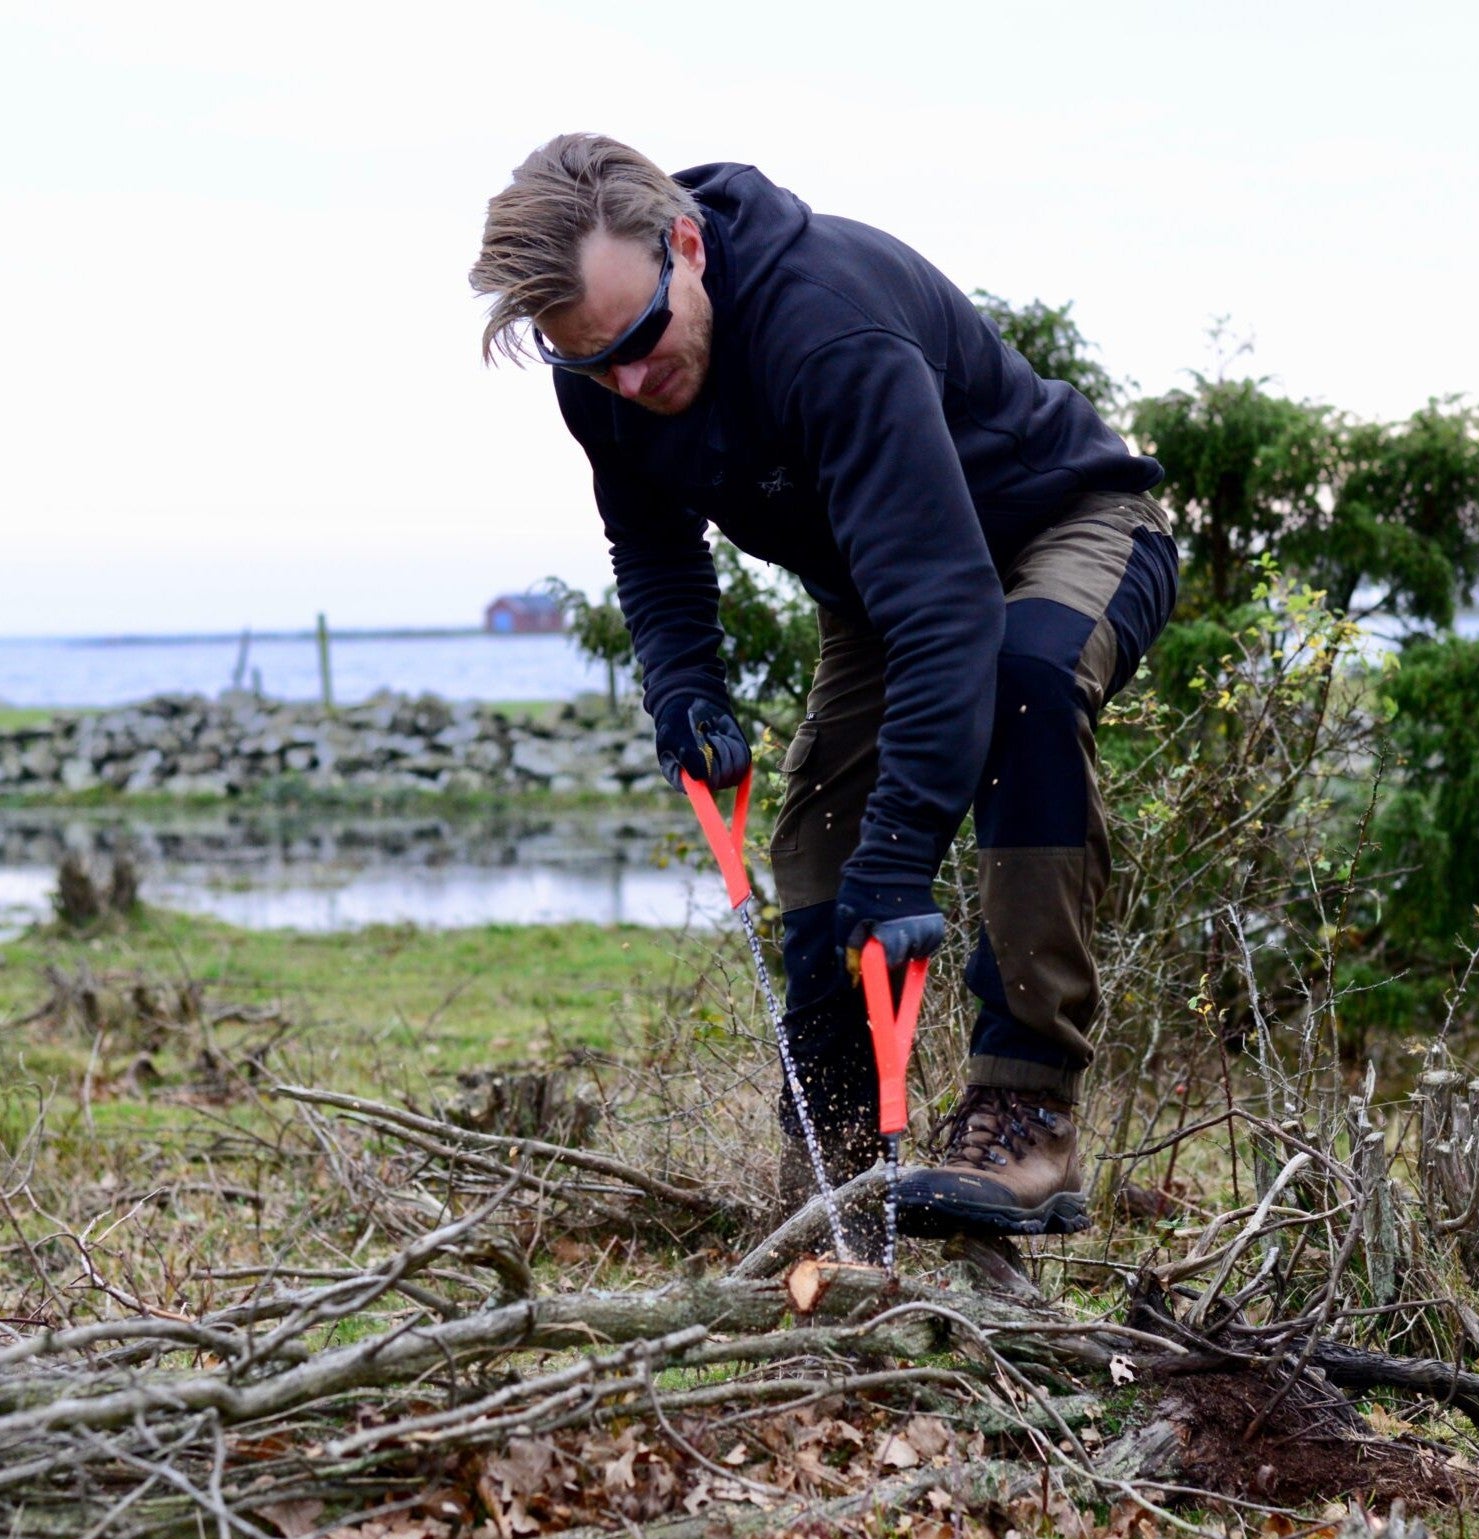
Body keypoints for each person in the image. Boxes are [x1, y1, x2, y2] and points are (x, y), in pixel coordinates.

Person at [471, 135, 1177, 1254]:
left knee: (1023, 683)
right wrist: (685, 693)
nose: (632, 384)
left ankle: (1025, 1111)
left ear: (686, 247)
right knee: (818, 862)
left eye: (643, 342)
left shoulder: (824, 325)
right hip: (879, 582)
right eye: (591, 364)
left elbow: (949, 613)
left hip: (1066, 526)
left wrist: (900, 861)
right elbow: (654, 555)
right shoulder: (605, 378)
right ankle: (833, 1189)